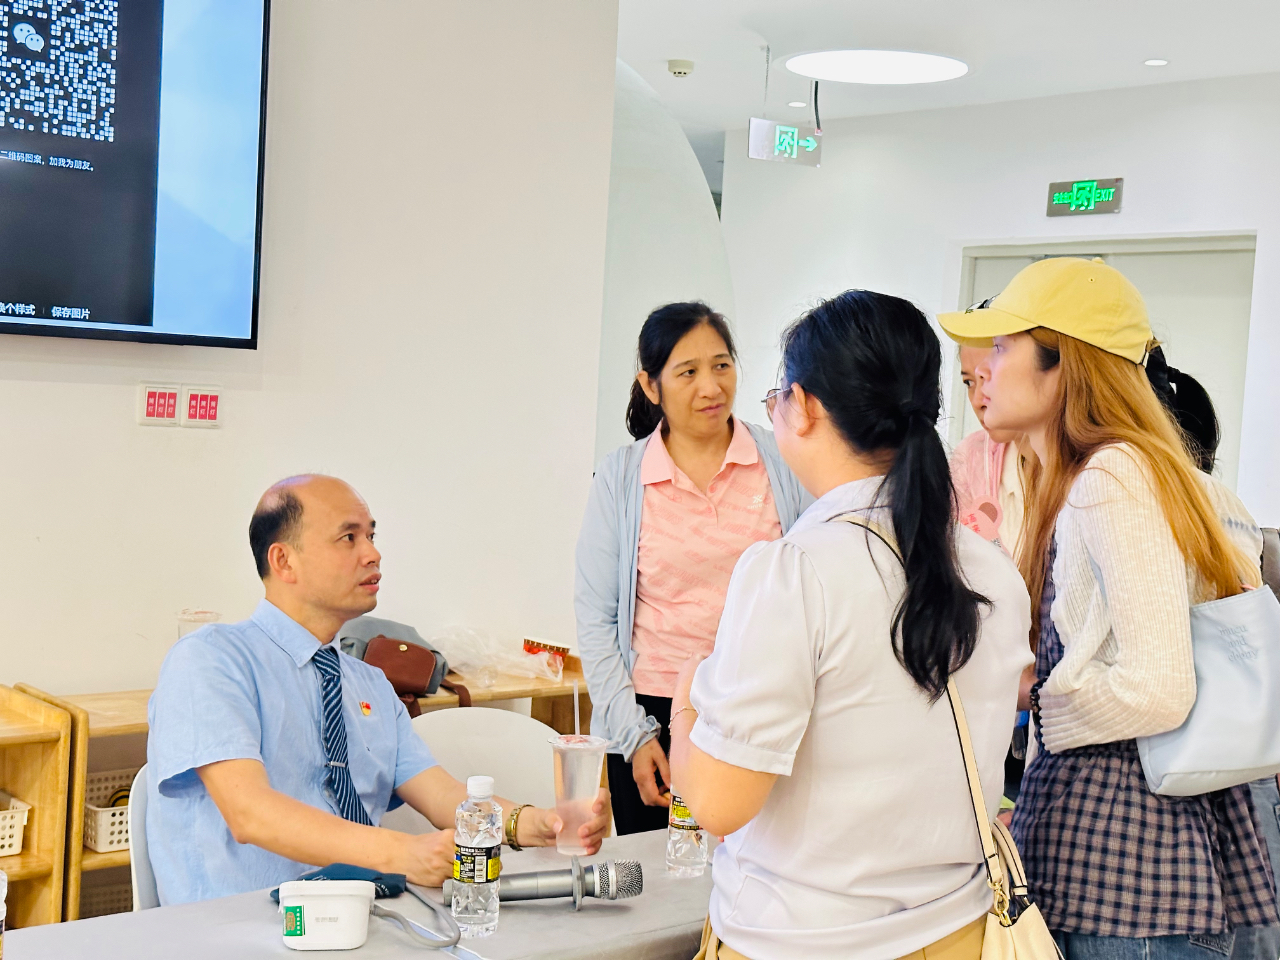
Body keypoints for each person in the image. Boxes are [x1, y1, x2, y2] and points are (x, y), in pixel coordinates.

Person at [668, 290, 1033, 959]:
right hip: (957, 934)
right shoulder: (993, 573)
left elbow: (718, 804)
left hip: (799, 941)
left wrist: (684, 708)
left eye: (777, 396)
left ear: (804, 407)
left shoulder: (794, 571)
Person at [938, 257, 1280, 958]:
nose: (983, 373)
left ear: (1064, 363)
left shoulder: (1111, 476)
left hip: (1125, 868)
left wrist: (1045, 705)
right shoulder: (1117, 471)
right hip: (1134, 866)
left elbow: (1159, 688)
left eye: (1001, 348)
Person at [147, 475, 609, 905]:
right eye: (348, 538)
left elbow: (442, 797)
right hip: (239, 929)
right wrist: (401, 854)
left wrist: (534, 824)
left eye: (371, 535)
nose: (372, 554)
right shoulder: (211, 660)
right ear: (283, 560)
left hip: (361, 919)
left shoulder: (368, 683)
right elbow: (251, 814)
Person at [575, 302, 809, 836]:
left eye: (722, 365)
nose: (711, 387)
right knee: (660, 876)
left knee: (759, 866)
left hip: (760, 704)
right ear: (650, 385)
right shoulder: (621, 477)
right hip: (651, 717)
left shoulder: (780, 459)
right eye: (687, 372)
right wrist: (634, 736)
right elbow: (596, 618)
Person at [951, 345, 1025, 557]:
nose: (977, 401)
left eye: (990, 376)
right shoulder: (968, 459)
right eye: (969, 382)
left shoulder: (1092, 469)